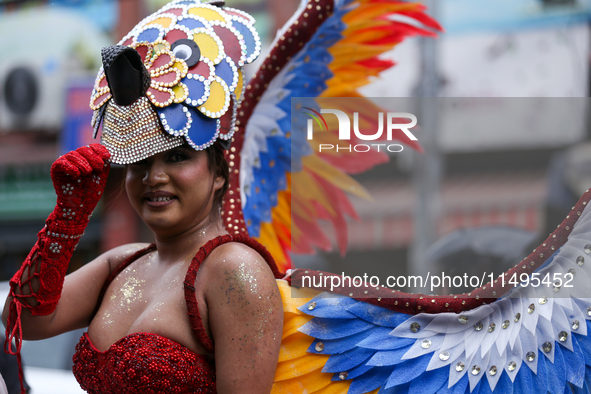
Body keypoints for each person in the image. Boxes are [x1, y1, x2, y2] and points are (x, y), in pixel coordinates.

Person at [2, 1, 284, 393]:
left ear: (219, 172)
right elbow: (22, 320)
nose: (155, 177)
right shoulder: (120, 264)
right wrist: (68, 220)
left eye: (178, 157)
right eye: (139, 163)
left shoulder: (233, 270)